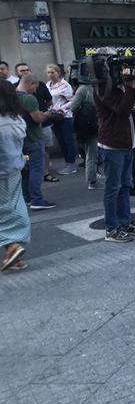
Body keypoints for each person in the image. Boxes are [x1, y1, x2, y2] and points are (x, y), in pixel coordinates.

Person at [95, 64, 135, 243]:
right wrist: (129, 87)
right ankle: (111, 229)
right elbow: (123, 110)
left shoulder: (121, 88)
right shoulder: (103, 90)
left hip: (126, 143)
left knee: (125, 185)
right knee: (113, 188)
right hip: (112, 145)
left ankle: (125, 223)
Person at [0, 81, 31, 271]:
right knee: (13, 208)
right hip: (13, 170)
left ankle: (12, 246)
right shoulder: (18, 119)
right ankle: (13, 257)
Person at [16, 74, 55, 210]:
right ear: (30, 83)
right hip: (33, 137)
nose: (35, 90)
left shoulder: (12, 97)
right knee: (36, 169)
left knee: (25, 170)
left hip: (20, 138)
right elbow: (38, 119)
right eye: (35, 87)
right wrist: (48, 114)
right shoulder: (29, 98)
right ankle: (37, 200)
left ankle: (27, 198)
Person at [69, 71, 100, 189]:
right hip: (88, 125)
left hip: (92, 124)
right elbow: (73, 107)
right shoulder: (84, 89)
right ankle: (92, 180)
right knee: (91, 153)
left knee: (93, 153)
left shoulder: (87, 88)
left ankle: (94, 177)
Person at [46, 64, 77, 175]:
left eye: (52, 72)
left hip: (65, 116)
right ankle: (67, 163)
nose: (50, 75)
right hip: (53, 116)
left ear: (58, 73)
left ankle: (71, 164)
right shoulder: (48, 85)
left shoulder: (65, 85)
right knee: (61, 141)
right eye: (48, 72)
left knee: (68, 140)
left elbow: (72, 100)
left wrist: (61, 108)